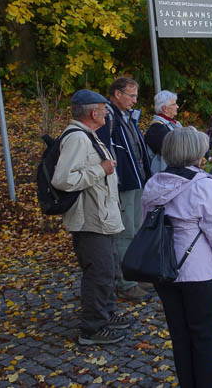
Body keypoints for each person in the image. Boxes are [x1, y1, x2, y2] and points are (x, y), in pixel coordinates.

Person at [141, 127, 212, 387]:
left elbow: (145, 226)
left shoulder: (154, 183)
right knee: (203, 337)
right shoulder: (202, 185)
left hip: (162, 268)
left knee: (180, 336)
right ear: (196, 152)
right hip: (198, 272)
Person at [52, 89, 127, 345]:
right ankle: (92, 329)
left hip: (101, 217)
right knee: (99, 272)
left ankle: (106, 314)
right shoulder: (77, 139)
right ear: (94, 112)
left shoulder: (88, 136)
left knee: (108, 268)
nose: (107, 114)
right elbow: (63, 180)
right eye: (104, 110)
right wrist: (100, 169)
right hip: (90, 220)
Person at [96, 77, 152, 301]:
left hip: (137, 181)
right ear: (117, 94)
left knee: (136, 230)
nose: (135, 100)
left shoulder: (125, 116)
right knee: (125, 233)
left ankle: (134, 274)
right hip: (124, 184)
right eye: (131, 95)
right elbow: (104, 150)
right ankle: (125, 282)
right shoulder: (108, 117)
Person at [145, 90, 183, 174]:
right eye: (174, 104)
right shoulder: (157, 129)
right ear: (164, 108)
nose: (177, 106)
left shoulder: (174, 124)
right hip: (165, 178)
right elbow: (175, 152)